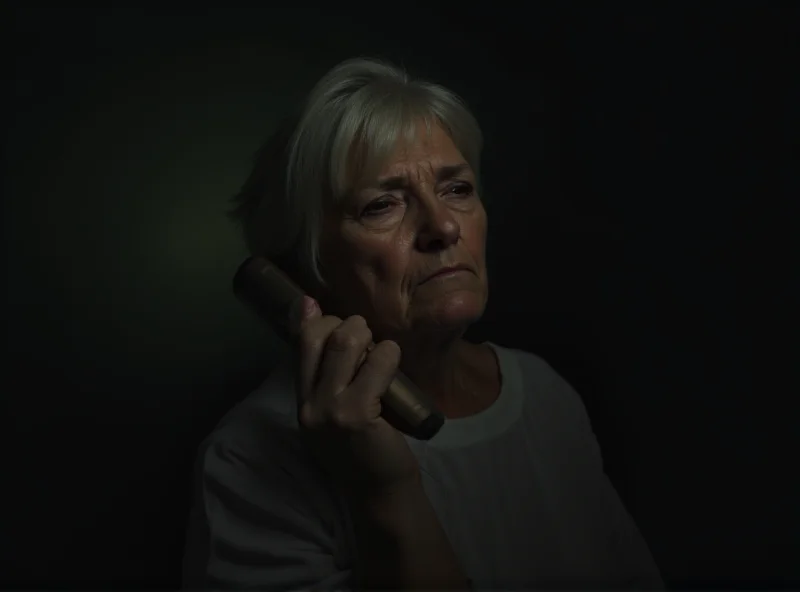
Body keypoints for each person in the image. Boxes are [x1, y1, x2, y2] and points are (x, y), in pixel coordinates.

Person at [181, 57, 663, 590]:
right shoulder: (249, 457)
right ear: (303, 270)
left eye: (457, 189)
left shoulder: (545, 392)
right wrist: (386, 495)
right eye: (382, 205)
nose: (443, 226)